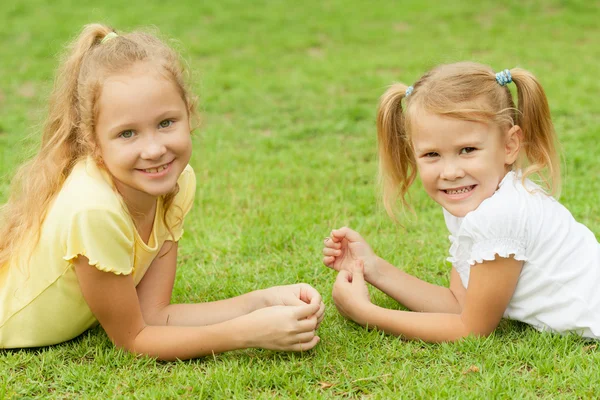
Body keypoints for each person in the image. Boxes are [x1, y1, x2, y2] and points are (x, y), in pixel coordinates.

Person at [0, 23, 324, 360]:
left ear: (189, 114)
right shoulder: (94, 210)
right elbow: (135, 339)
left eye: (166, 123)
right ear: (94, 143)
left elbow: (154, 314)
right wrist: (248, 333)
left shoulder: (176, 183)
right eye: (127, 133)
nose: (154, 149)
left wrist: (261, 302)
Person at [323, 62, 600, 342]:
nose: (451, 172)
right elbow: (459, 303)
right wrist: (373, 268)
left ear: (509, 145)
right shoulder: (476, 201)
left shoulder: (501, 213)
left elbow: (471, 329)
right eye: (432, 154)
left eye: (467, 150)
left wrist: (365, 313)